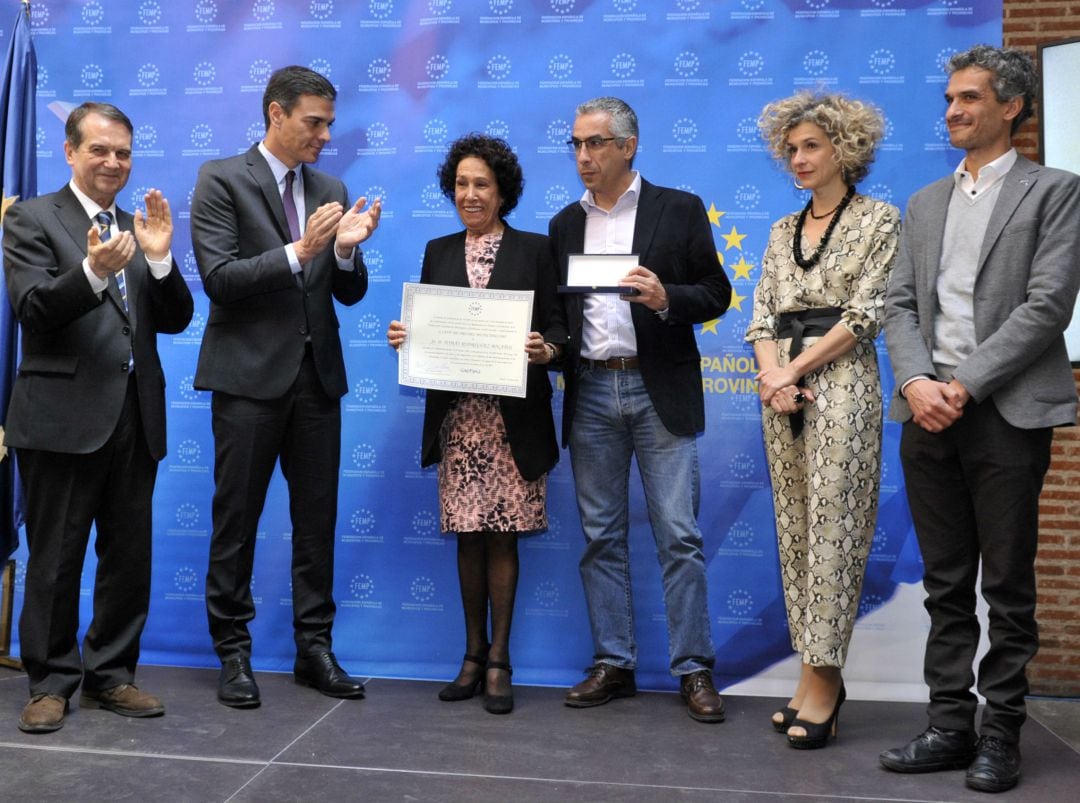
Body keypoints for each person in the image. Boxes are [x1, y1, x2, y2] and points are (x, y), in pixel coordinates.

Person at [880, 45, 1080, 793]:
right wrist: (916, 379)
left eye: (968, 98)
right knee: (944, 581)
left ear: (1012, 106)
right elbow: (898, 304)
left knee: (1008, 586)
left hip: (1004, 413)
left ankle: (1002, 734)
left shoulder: (1055, 192)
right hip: (925, 410)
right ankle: (947, 726)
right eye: (949, 99)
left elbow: (1047, 307)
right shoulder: (926, 201)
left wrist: (960, 384)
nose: (953, 111)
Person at [190, 66, 381, 709]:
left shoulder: (330, 186)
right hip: (246, 380)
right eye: (314, 122)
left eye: (330, 123)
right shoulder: (221, 179)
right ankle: (234, 654)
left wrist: (348, 251)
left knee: (315, 522)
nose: (326, 135)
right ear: (276, 114)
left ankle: (314, 649)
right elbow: (220, 278)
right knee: (235, 522)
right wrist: (302, 250)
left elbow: (348, 292)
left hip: (317, 380)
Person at [3, 102, 194, 733]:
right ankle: (51, 682)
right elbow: (33, 309)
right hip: (60, 420)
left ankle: (112, 675)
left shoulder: (139, 228)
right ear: (70, 152)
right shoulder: (30, 219)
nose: (114, 162)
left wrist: (161, 261)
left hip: (135, 419)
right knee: (55, 558)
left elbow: (174, 318)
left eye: (123, 153)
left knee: (127, 557)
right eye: (100, 151)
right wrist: (90, 271)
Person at [548, 97, 732, 722]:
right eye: (575, 144)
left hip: (659, 391)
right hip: (591, 391)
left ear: (627, 146)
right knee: (601, 537)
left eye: (595, 143)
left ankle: (695, 669)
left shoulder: (676, 208)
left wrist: (664, 297)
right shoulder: (563, 225)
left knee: (679, 535)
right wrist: (546, 347)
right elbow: (560, 317)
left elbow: (716, 293)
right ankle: (613, 662)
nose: (583, 156)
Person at [386, 134, 562, 715]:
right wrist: (407, 341)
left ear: (502, 190)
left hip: (513, 421)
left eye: (481, 183)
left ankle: (501, 660)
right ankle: (470, 653)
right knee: (466, 534)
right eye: (461, 183)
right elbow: (432, 331)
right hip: (461, 420)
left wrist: (546, 349)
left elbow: (561, 329)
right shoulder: (438, 251)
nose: (470, 194)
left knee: (504, 535)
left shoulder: (536, 248)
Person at [745, 92, 899, 749]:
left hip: (841, 387)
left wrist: (794, 369)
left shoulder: (879, 220)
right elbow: (759, 315)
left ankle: (825, 685)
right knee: (796, 533)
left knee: (835, 537)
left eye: (812, 145)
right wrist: (772, 375)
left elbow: (865, 314)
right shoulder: (782, 231)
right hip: (782, 394)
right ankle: (810, 676)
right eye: (792, 148)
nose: (799, 158)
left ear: (845, 149)